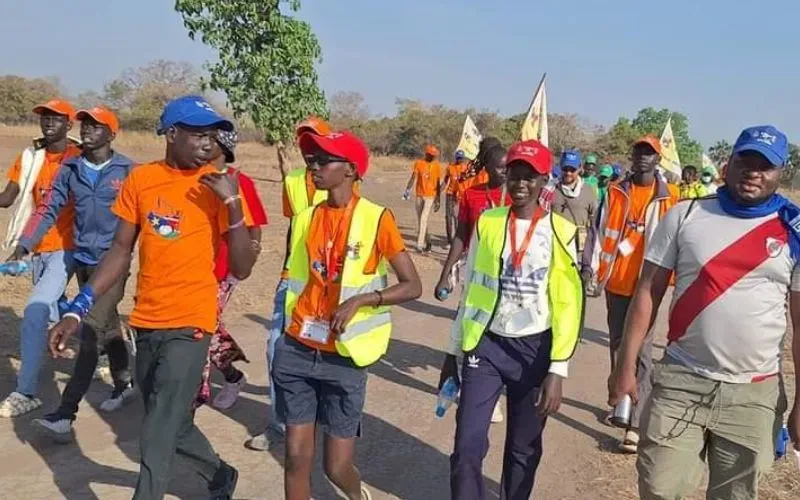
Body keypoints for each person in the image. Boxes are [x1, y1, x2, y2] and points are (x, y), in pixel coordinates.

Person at [46, 95, 252, 500]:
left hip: (193, 322)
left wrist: (232, 202)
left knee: (156, 429)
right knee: (169, 421)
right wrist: (78, 307)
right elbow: (120, 250)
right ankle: (218, 473)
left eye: (213, 136)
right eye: (198, 135)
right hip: (147, 321)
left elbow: (242, 268)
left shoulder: (217, 186)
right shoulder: (141, 180)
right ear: (171, 134)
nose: (209, 144)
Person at [610, 125, 800, 500]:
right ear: (729, 163)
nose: (754, 173)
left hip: (753, 393)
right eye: (746, 161)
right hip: (682, 378)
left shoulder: (794, 230)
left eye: (766, 166)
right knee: (659, 489)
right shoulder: (685, 215)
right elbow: (647, 291)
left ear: (782, 173)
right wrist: (625, 365)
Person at [274, 130, 421, 500]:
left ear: (351, 170)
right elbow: (298, 278)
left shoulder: (376, 219)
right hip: (297, 347)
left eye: (324, 161)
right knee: (294, 459)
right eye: (311, 161)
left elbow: (412, 285)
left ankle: (357, 496)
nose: (314, 168)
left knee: (336, 468)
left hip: (344, 357)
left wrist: (362, 300)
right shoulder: (306, 218)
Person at [440, 139, 583, 499]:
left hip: (535, 351)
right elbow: (472, 287)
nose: (520, 183)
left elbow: (568, 305)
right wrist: (452, 352)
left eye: (529, 177)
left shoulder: (562, 232)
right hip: (486, 344)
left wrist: (558, 369)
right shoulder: (488, 223)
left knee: (523, 450)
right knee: (467, 445)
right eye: (515, 175)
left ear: (544, 182)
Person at [12, 106, 134, 440]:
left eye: (97, 126)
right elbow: (49, 207)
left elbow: (142, 218)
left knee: (90, 329)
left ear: (111, 134)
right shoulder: (72, 167)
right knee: (108, 326)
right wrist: (26, 243)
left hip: (114, 263)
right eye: (85, 125)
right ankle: (124, 382)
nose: (88, 130)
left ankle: (65, 414)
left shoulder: (128, 171)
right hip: (83, 258)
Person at [585, 135, 679, 453]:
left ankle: (636, 423)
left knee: (641, 350)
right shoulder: (615, 191)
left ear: (658, 160)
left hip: (649, 286)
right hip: (616, 283)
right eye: (638, 151)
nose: (642, 158)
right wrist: (594, 272)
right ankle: (620, 402)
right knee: (617, 345)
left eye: (649, 153)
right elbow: (598, 234)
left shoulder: (670, 197)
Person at [247, 117, 333, 451]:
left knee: (322, 353)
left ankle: (323, 419)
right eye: (305, 143)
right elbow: (294, 229)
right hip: (293, 279)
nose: (310, 150)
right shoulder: (293, 181)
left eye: (317, 142)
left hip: (330, 283)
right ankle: (280, 422)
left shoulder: (345, 179)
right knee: (275, 349)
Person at [0, 99, 81, 418]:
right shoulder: (30, 158)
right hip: (36, 246)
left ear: (69, 124)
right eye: (44, 117)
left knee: (35, 310)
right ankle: (102, 344)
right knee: (57, 308)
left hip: (68, 246)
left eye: (56, 118)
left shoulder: (77, 159)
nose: (48, 122)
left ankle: (26, 391)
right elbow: (8, 198)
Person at [435, 145, 510, 424]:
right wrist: (445, 274)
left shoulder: (516, 198)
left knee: (501, 335)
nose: (505, 172)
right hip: (476, 277)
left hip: (507, 281)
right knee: (470, 330)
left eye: (508, 167)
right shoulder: (472, 195)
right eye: (499, 167)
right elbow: (461, 236)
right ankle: (472, 385)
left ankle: (495, 394)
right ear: (487, 168)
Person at [196, 129, 268, 410]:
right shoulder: (191, 178)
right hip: (192, 269)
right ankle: (233, 375)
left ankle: (196, 394)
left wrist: (247, 260)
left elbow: (255, 227)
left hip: (224, 270)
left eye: (209, 139)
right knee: (205, 328)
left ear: (223, 147)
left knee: (200, 329)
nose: (202, 142)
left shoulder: (241, 182)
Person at [551, 149, 598, 261]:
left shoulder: (588, 191)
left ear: (579, 169)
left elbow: (594, 225)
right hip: (555, 249)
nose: (568, 173)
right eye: (565, 169)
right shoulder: (550, 189)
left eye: (572, 170)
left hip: (579, 253)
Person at [404, 145, 443, 252]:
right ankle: (429, 241)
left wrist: (438, 199)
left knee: (423, 219)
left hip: (430, 196)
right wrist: (407, 190)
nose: (433, 157)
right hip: (419, 195)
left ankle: (419, 245)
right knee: (421, 220)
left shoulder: (437, 166)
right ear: (426, 154)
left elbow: (438, 184)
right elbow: (413, 177)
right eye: (431, 155)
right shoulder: (419, 163)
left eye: (434, 156)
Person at [444, 150, 468, 243]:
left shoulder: (466, 168)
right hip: (450, 194)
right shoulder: (450, 167)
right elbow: (446, 180)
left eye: (461, 158)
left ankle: (457, 239)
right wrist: (437, 192)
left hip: (460, 196)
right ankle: (449, 239)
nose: (460, 160)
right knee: (448, 217)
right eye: (458, 158)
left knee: (457, 218)